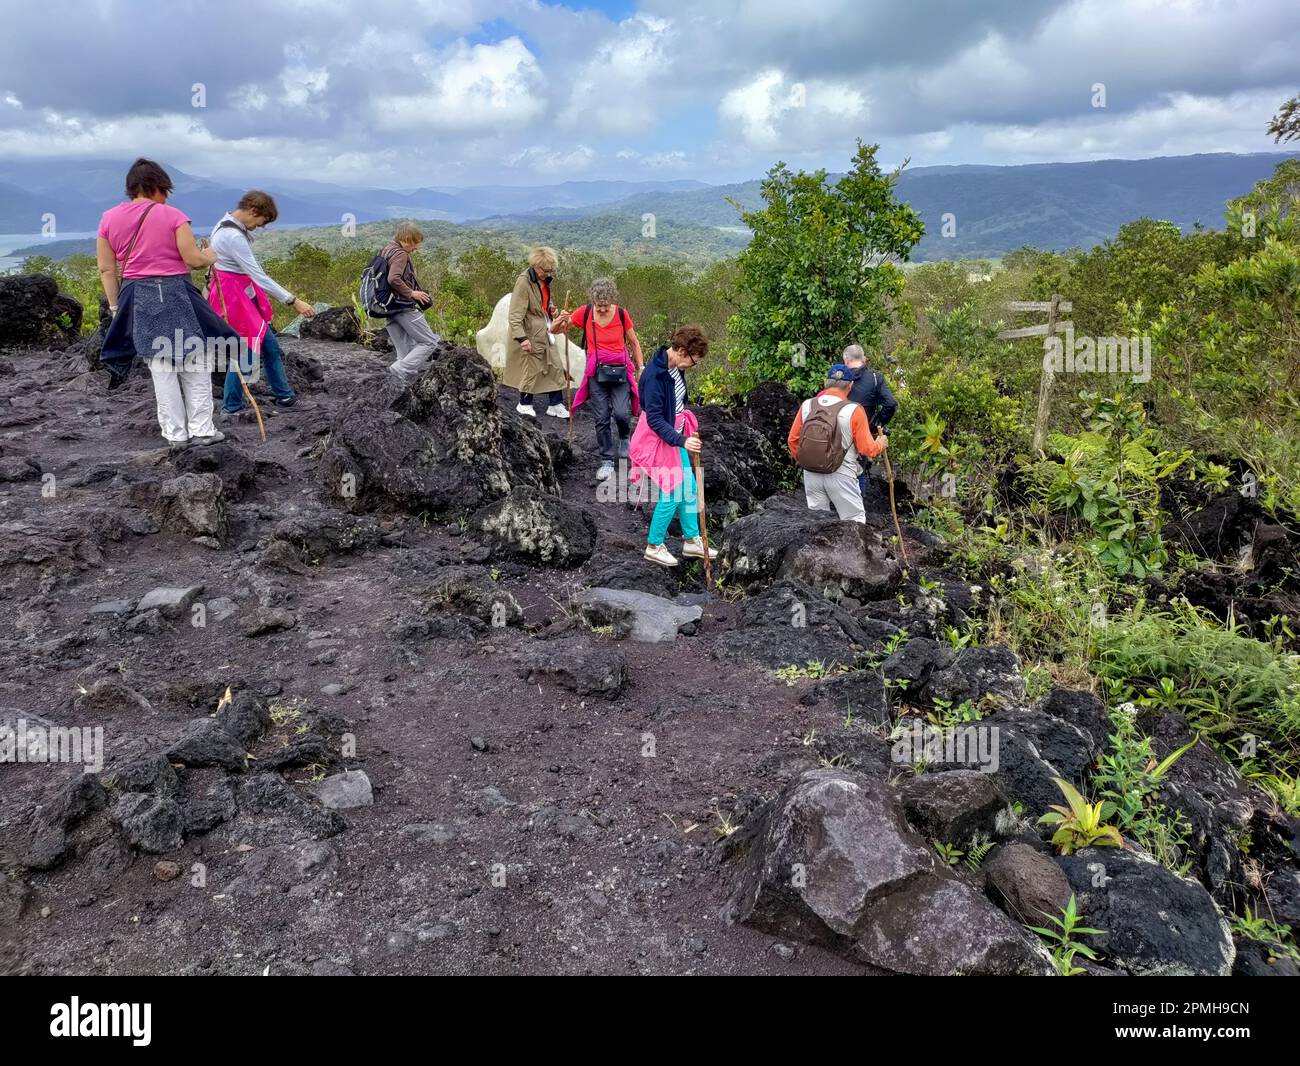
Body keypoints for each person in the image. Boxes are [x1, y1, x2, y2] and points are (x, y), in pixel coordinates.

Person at [98, 158, 235, 451]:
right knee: (194, 360)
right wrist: (210, 255)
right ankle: (202, 430)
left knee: (160, 366)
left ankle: (175, 435)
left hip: (137, 295)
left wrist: (114, 307)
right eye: (165, 190)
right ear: (157, 187)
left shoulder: (109, 218)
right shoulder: (173, 216)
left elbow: (107, 270)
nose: (167, 196)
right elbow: (193, 260)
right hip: (176, 292)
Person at [208, 190, 316, 421]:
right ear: (254, 211)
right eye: (261, 221)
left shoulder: (225, 224)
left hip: (238, 295)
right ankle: (231, 406)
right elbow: (258, 276)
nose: (259, 226)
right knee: (246, 352)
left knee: (269, 347)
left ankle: (284, 397)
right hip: (234, 299)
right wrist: (293, 301)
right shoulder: (233, 236)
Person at [629, 325, 718, 568]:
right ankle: (654, 545)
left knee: (689, 484)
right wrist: (682, 440)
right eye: (693, 360)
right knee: (675, 488)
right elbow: (655, 419)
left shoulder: (675, 368)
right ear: (680, 350)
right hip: (655, 439)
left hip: (673, 434)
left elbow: (676, 403)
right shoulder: (655, 376)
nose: (693, 365)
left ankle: (691, 541)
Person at [553, 278, 644, 480]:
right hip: (596, 373)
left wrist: (641, 368)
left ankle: (623, 436)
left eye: (605, 306)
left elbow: (634, 342)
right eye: (598, 306)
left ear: (612, 301)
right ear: (593, 301)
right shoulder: (584, 313)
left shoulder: (621, 314)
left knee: (621, 413)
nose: (602, 310)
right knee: (601, 418)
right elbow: (554, 331)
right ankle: (606, 461)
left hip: (619, 372)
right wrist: (560, 319)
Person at [786, 363, 888, 524]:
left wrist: (806, 461)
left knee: (817, 522)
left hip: (811, 474)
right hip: (841, 473)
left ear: (826, 383)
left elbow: (793, 440)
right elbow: (867, 449)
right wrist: (881, 443)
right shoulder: (854, 410)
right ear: (850, 385)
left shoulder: (808, 405)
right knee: (854, 521)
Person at [504, 247, 569, 418]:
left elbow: (543, 302)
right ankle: (524, 404)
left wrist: (551, 309)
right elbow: (515, 314)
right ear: (535, 266)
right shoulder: (524, 282)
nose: (548, 274)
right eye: (545, 270)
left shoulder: (545, 281)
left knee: (555, 365)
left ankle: (555, 404)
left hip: (545, 330)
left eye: (550, 270)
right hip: (530, 332)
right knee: (531, 369)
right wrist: (522, 338)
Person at [374, 222, 440, 383]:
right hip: (403, 307)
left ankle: (400, 385)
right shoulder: (400, 254)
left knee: (405, 352)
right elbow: (393, 278)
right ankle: (400, 369)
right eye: (415, 243)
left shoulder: (386, 250)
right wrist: (412, 293)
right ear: (407, 239)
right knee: (429, 342)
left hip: (389, 309)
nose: (416, 248)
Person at [842, 343, 897, 491]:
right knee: (859, 473)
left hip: (836, 436)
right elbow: (890, 404)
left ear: (846, 360)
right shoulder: (875, 378)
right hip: (862, 435)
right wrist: (875, 424)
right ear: (863, 359)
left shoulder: (837, 377)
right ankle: (856, 509)